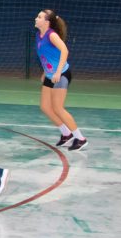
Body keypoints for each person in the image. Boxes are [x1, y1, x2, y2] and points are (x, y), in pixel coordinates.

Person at [35, 9, 87, 151]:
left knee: (58, 108)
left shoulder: (52, 35)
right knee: (45, 107)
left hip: (61, 74)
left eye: (39, 17)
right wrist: (45, 72)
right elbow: (46, 56)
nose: (36, 19)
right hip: (50, 75)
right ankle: (66, 134)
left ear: (47, 22)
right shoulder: (39, 35)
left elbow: (65, 51)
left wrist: (57, 72)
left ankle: (81, 138)